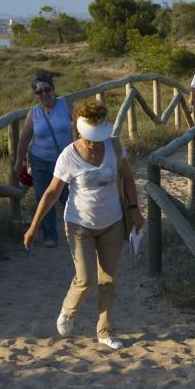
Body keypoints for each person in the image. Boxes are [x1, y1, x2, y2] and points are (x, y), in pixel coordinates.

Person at [23, 100, 144, 350]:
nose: (95, 142)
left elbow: (128, 178)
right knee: (86, 278)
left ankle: (105, 331)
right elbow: (51, 193)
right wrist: (34, 226)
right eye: (91, 137)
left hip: (112, 221)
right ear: (79, 130)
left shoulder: (114, 145)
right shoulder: (68, 156)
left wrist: (135, 211)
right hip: (80, 225)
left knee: (108, 280)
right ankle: (68, 311)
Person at [14, 72, 74, 248]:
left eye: (46, 89)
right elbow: (25, 138)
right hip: (40, 162)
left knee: (69, 197)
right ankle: (50, 236)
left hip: (65, 162)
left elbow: (79, 126)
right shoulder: (34, 113)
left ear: (53, 89)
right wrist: (19, 161)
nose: (44, 94)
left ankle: (78, 230)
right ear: (35, 95)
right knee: (43, 198)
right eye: (39, 92)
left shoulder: (66, 104)